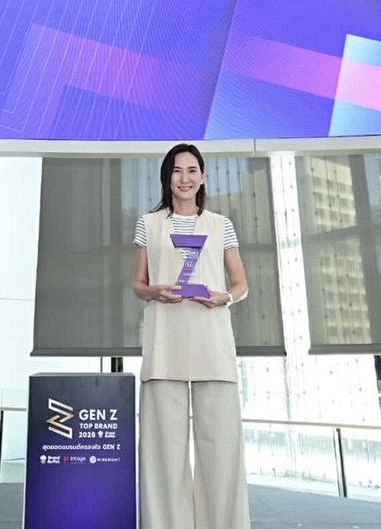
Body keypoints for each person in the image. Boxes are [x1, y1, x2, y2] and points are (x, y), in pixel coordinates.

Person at [133, 143, 251, 529]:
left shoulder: (221, 225)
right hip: (164, 341)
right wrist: (154, 291)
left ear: (203, 177)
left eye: (192, 170)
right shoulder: (148, 224)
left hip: (212, 340)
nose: (184, 178)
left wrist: (224, 298)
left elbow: (241, 284)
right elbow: (138, 284)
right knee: (162, 448)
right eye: (176, 170)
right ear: (166, 177)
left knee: (221, 446)